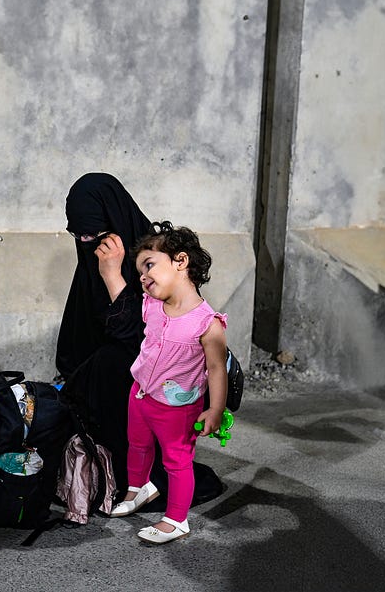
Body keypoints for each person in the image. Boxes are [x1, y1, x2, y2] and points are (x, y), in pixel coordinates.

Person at [56, 173, 224, 507]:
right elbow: (76, 346)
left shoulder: (158, 263)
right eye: (79, 235)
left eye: (95, 235)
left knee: (112, 362)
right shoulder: (93, 260)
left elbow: (146, 339)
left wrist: (113, 277)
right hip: (126, 392)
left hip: (170, 384)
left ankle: (147, 477)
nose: (87, 242)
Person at [108, 221, 228, 544]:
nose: (144, 278)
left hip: (176, 408)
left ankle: (177, 519)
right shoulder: (153, 306)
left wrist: (215, 410)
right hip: (141, 394)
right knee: (138, 444)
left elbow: (217, 369)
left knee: (177, 461)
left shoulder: (206, 323)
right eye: (141, 274)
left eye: (149, 266)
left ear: (181, 261)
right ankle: (139, 487)